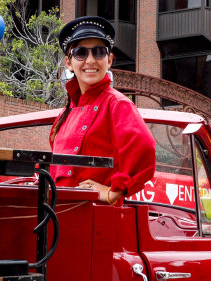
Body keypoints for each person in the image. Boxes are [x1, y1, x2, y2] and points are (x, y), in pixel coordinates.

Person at [50, 16, 156, 205]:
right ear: (68, 62)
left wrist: (114, 191)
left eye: (99, 52)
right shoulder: (64, 114)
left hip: (97, 221)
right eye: (81, 53)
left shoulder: (117, 104)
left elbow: (145, 149)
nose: (90, 61)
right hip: (60, 217)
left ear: (109, 60)